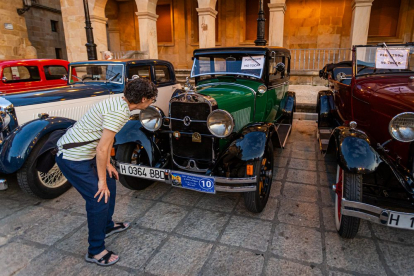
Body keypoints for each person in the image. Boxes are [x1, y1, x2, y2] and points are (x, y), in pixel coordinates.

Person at [56, 78, 157, 266]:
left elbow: (106, 139)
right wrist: (100, 181)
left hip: (84, 154)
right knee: (98, 196)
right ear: (143, 99)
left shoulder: (119, 102)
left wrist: (108, 165)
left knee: (110, 179)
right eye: (152, 100)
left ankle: (107, 225)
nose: (151, 103)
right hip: (72, 158)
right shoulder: (120, 112)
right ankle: (95, 251)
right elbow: (102, 149)